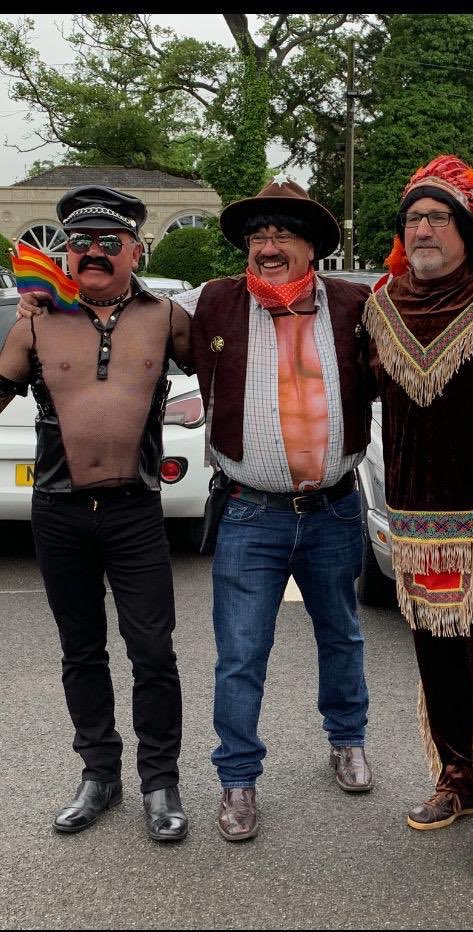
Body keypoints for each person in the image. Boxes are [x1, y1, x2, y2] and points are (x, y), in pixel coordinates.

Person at [182, 177, 375, 841]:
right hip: (248, 511)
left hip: (334, 508)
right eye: (257, 233)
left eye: (282, 233)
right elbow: (136, 320)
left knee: (341, 634)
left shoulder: (355, 304)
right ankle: (237, 780)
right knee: (240, 652)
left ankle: (346, 740)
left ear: (313, 247)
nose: (267, 243)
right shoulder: (211, 303)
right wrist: (50, 306)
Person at [364, 156, 473, 880]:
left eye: (436, 217)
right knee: (434, 657)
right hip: (412, 518)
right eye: (412, 219)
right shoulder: (380, 304)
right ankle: (456, 781)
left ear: (466, 228)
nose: (423, 228)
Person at [3, 186, 191, 841]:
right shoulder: (34, 320)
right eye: (79, 241)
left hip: (135, 512)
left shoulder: (167, 316)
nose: (92, 252)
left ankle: (160, 782)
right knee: (80, 652)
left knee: (152, 652)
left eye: (109, 241)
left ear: (136, 249)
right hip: (56, 512)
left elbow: (231, 374)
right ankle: (99, 775)